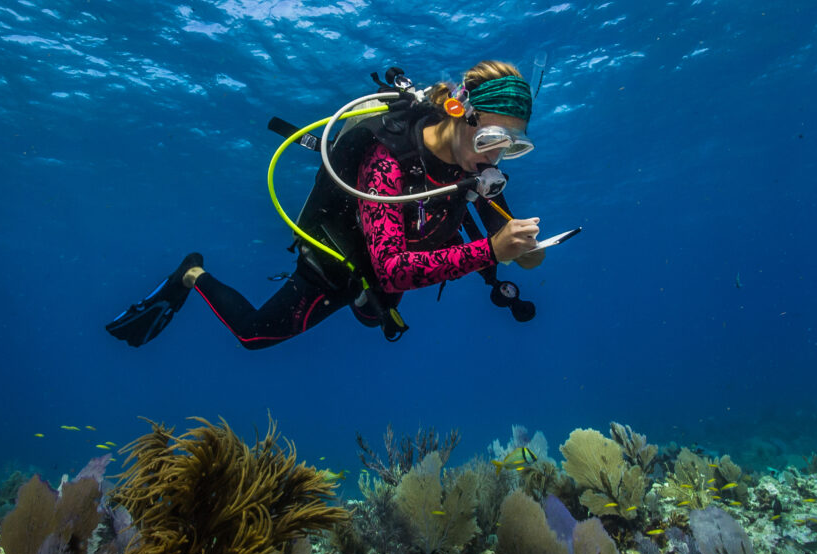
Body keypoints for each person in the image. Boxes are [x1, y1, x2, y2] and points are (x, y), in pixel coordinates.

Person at [106, 60, 546, 350]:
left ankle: (364, 301)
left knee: (375, 316)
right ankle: (191, 273)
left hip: (389, 267)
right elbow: (394, 267)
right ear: (457, 112)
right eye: (491, 139)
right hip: (339, 257)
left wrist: (526, 249)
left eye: (512, 147)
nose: (496, 157)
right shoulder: (390, 159)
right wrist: (492, 251)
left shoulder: (477, 168)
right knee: (254, 335)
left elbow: (506, 235)